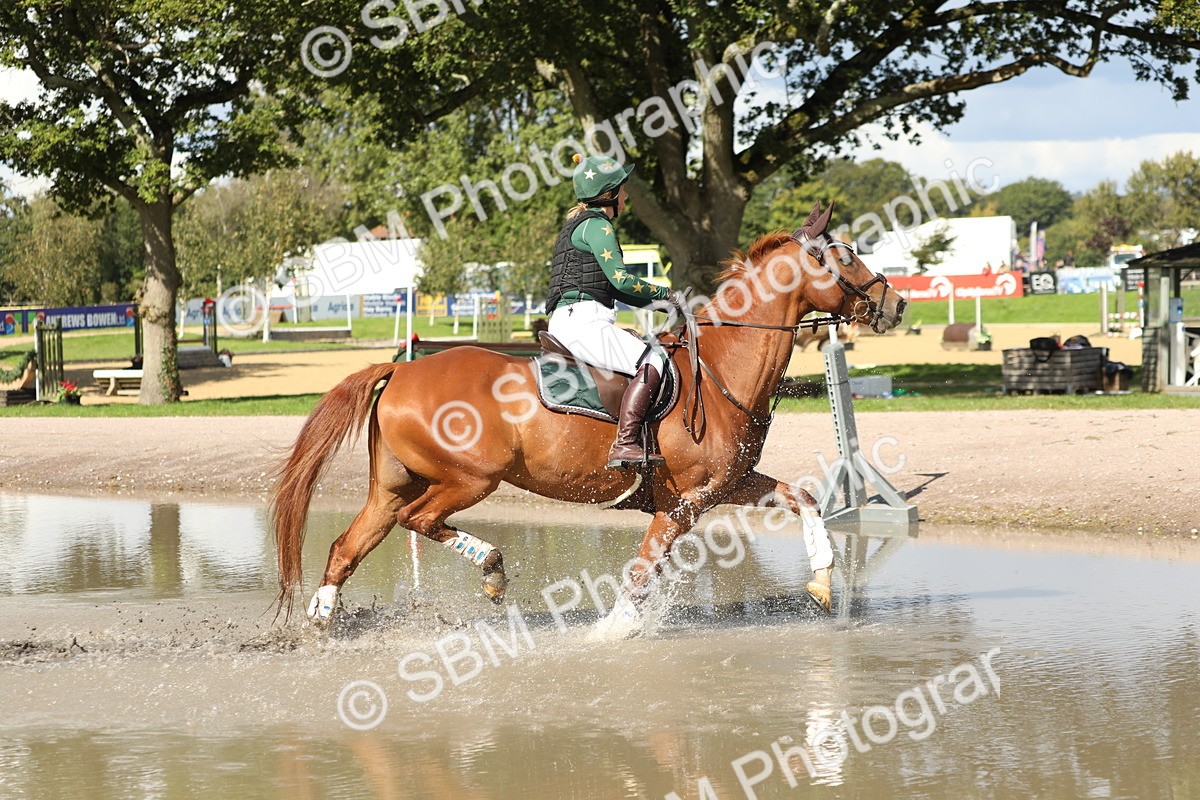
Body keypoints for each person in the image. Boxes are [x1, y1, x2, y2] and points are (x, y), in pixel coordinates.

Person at [547, 154, 674, 470]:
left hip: (569, 319)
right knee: (653, 359)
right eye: (622, 189)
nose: (626, 195)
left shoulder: (579, 225)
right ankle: (625, 443)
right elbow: (621, 280)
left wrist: (663, 305)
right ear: (609, 194)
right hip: (583, 321)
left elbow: (615, 290)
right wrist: (666, 293)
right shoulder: (598, 226)